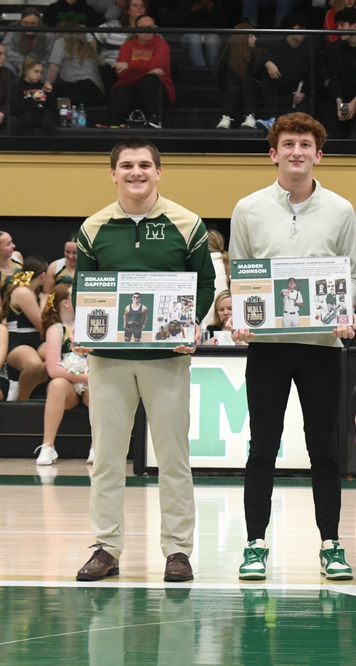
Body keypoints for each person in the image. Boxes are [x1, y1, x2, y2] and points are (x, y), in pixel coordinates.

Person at [73, 138, 215, 583]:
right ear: (113, 173)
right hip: (109, 360)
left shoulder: (187, 223)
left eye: (145, 165)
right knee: (108, 459)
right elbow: (84, 289)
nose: (137, 172)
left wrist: (191, 323)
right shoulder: (93, 227)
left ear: (159, 172)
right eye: (128, 165)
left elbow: (206, 284)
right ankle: (106, 548)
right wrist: (83, 329)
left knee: (173, 458)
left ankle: (178, 552)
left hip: (166, 358)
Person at [229, 113, 356, 582]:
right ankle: (255, 544)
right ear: (273, 153)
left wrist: (349, 310)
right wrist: (238, 315)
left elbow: (350, 278)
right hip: (267, 347)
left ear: (318, 154)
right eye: (288, 144)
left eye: (306, 144)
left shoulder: (341, 209)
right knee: (262, 447)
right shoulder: (247, 208)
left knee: (323, 449)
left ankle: (330, 543)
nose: (297, 151)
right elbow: (240, 276)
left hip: (321, 346)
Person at [35, 284, 92, 466]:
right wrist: (85, 377)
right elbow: (53, 370)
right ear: (66, 303)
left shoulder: (91, 324)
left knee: (100, 387)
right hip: (70, 385)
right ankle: (47, 446)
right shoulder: (56, 330)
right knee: (57, 384)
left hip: (91, 383)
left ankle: (97, 447)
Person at [107, 15, 175, 128]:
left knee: (149, 81)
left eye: (150, 27)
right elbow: (122, 74)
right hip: (133, 91)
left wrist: (129, 65)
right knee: (119, 90)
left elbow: (157, 64)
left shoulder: (161, 44)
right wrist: (147, 70)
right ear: (136, 31)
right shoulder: (126, 46)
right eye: (144, 27)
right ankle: (116, 125)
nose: (148, 30)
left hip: (158, 92)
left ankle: (155, 120)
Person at [321, 8, 356, 140]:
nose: (338, 28)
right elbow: (334, 78)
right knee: (327, 107)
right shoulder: (334, 48)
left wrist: (355, 101)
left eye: (342, 25)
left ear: (354, 26)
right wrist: (339, 102)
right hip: (340, 94)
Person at [0, 256, 48, 401]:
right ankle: (21, 400)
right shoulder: (23, 292)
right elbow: (41, 324)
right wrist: (45, 302)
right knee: (34, 365)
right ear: (43, 275)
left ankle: (22, 384)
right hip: (19, 342)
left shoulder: (36, 293)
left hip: (37, 340)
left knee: (56, 361)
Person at [259, 13, 312, 128]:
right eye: (299, 28)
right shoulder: (277, 46)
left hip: (299, 94)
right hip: (280, 92)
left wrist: (304, 93)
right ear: (289, 28)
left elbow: (312, 76)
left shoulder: (309, 49)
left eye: (304, 28)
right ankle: (272, 118)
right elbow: (263, 60)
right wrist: (267, 62)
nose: (303, 31)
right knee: (267, 75)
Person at [215, 23, 262, 130]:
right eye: (251, 36)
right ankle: (226, 117)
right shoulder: (228, 56)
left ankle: (250, 116)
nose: (255, 38)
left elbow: (259, 78)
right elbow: (221, 80)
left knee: (245, 79)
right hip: (232, 94)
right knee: (235, 80)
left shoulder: (257, 54)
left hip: (253, 94)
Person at [12, 58, 58, 135]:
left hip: (40, 115)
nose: (39, 75)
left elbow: (53, 107)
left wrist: (49, 93)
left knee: (49, 120)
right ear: (26, 71)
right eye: (36, 72)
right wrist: (32, 98)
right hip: (25, 117)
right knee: (26, 120)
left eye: (41, 72)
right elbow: (14, 108)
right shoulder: (17, 87)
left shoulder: (41, 86)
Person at [94, 0, 146, 69]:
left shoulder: (152, 28)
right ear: (127, 10)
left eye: (142, 6)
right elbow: (90, 35)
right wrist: (96, 59)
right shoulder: (113, 25)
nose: (139, 8)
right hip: (109, 67)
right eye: (135, 5)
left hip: (137, 68)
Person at [2, 9, 54, 77]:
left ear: (38, 23)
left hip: (40, 67)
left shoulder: (48, 34)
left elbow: (49, 55)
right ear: (21, 22)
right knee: (6, 64)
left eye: (33, 23)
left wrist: (35, 66)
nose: (28, 26)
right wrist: (24, 64)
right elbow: (6, 49)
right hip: (17, 65)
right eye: (25, 23)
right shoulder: (13, 30)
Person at [175, 0, 225, 68]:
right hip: (189, 33)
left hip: (210, 33)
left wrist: (211, 10)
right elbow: (179, 23)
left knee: (212, 41)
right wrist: (192, 11)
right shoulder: (185, 1)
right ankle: (202, 73)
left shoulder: (214, 2)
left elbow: (221, 24)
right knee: (194, 38)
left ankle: (211, 72)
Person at [0, 45, 15, 135]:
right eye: (0, 54)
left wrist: (2, 112)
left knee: (12, 122)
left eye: (5, 54)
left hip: (2, 113)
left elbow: (10, 99)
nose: (4, 58)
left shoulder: (8, 74)